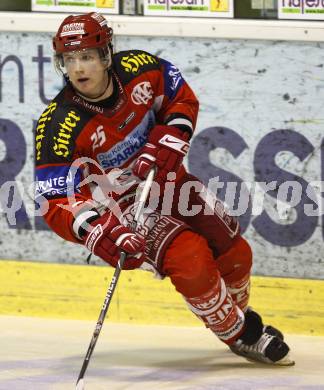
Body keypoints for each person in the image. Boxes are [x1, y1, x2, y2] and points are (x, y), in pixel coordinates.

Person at [35, 12, 294, 366]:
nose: (78, 68)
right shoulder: (59, 125)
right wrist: (98, 231)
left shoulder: (141, 69)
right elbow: (56, 200)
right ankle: (243, 334)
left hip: (166, 180)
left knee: (233, 247)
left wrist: (173, 137)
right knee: (191, 258)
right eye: (69, 59)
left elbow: (179, 98)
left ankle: (232, 318)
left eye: (87, 57)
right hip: (122, 207)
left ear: (106, 55)